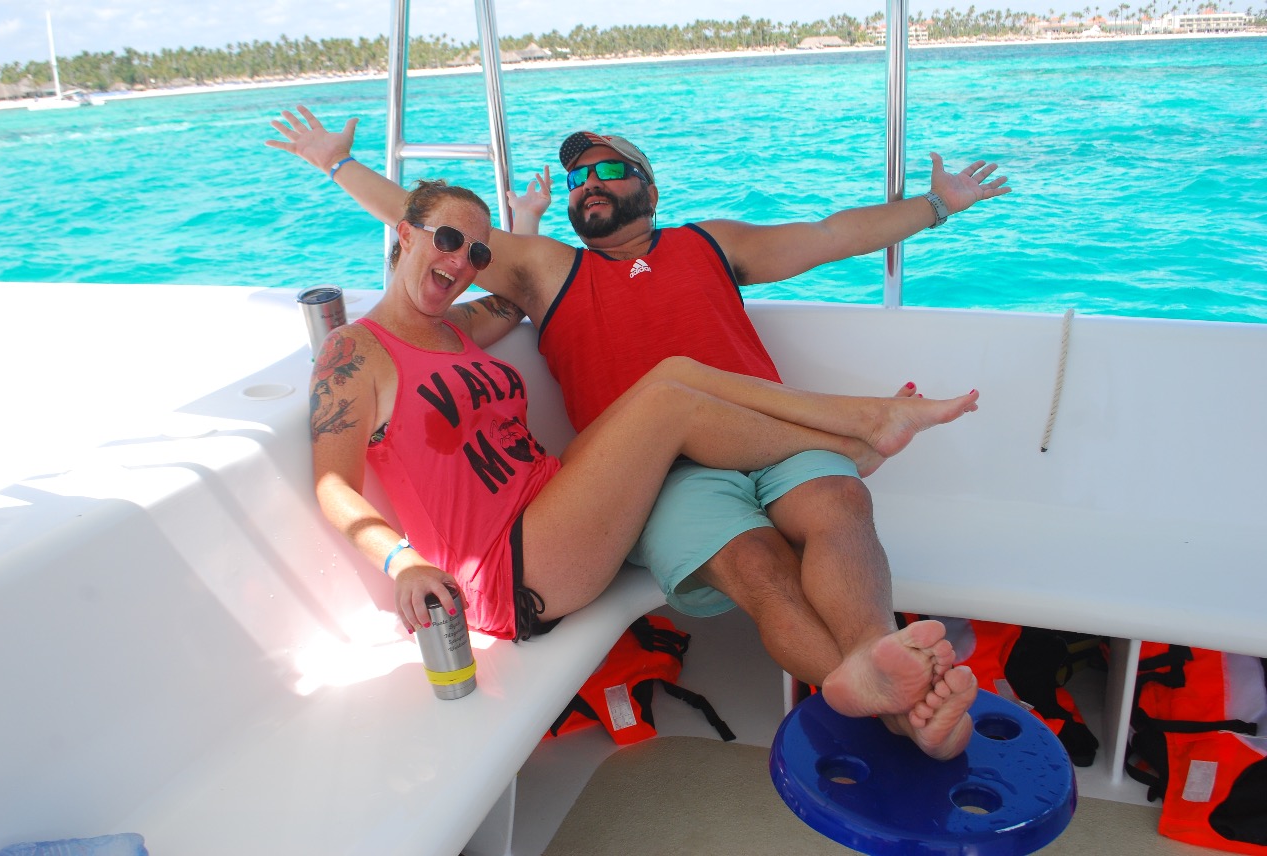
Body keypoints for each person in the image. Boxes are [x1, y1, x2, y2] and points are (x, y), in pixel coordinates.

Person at [269, 106, 1009, 759]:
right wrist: (337, 166)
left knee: (841, 506)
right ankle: (859, 437)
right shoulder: (547, 271)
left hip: (756, 445)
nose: (588, 182)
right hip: (661, 478)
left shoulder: (708, 244)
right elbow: (435, 229)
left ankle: (879, 674)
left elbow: (828, 236)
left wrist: (935, 207)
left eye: (609, 169)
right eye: (577, 178)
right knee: (754, 561)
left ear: (649, 190)